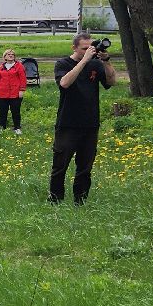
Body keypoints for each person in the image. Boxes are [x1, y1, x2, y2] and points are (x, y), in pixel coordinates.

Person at [49, 33, 117, 204]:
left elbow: (111, 82)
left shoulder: (95, 64)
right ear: (74, 48)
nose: (88, 51)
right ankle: (55, 200)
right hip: (68, 123)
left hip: (90, 123)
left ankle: (80, 201)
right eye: (84, 49)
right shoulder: (63, 63)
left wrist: (106, 61)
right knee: (60, 165)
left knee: (85, 167)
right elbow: (64, 83)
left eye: (90, 48)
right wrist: (84, 61)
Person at [0, 47, 27, 133]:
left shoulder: (19, 66)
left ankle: (17, 128)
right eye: (9, 54)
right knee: (2, 112)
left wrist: (22, 90)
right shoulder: (1, 67)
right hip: (2, 93)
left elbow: (23, 79)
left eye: (13, 55)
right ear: (5, 57)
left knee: (15, 111)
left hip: (15, 93)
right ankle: (1, 128)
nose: (11, 56)